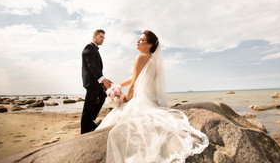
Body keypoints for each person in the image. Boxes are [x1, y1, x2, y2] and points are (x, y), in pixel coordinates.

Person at [96, 30, 209, 162]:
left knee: (117, 116)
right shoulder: (152, 60)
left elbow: (134, 83)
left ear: (149, 45)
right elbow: (134, 77)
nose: (138, 41)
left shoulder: (140, 58)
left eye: (142, 40)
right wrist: (117, 86)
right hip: (151, 100)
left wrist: (126, 98)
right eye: (139, 39)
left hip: (141, 100)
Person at [81, 29, 112, 134]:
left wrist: (102, 82)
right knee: (88, 106)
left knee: (102, 97)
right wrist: (103, 79)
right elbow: (91, 65)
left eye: (104, 37)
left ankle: (90, 121)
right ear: (94, 37)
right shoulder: (89, 48)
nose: (103, 39)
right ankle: (84, 130)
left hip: (96, 82)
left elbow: (96, 67)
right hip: (91, 82)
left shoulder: (95, 49)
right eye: (101, 37)